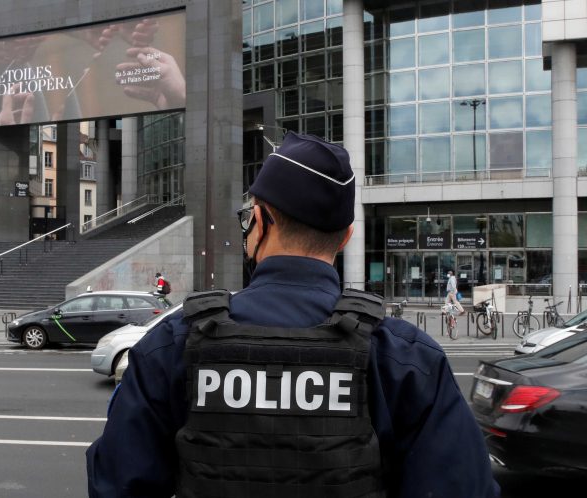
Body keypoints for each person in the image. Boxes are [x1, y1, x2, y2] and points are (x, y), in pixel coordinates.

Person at [86, 132, 499, 498]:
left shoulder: (174, 343)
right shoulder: (406, 360)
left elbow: (116, 481)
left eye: (249, 216)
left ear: (261, 221)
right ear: (346, 237)